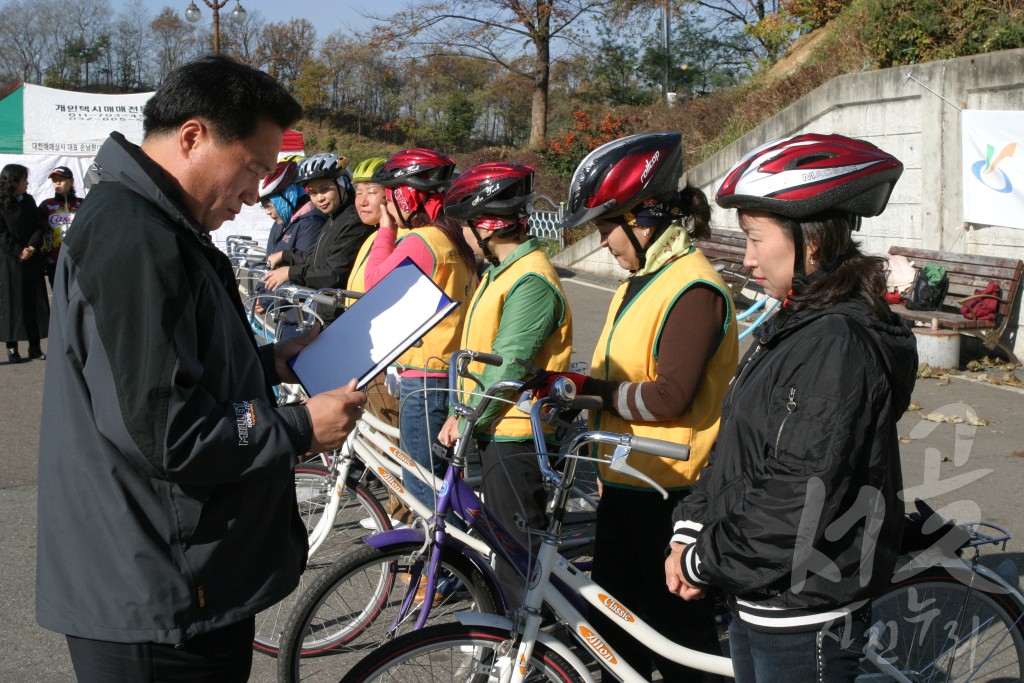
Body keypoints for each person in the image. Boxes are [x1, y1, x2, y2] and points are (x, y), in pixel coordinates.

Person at [35, 55, 366, 683]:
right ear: (193, 137)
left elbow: (169, 373)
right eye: (253, 169)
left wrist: (268, 362)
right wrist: (299, 428)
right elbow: (167, 430)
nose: (253, 194)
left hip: (170, 574)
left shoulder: (155, 224)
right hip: (157, 589)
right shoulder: (136, 239)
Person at [664, 133, 918, 683]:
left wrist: (705, 558)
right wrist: (692, 525)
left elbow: (797, 490)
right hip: (763, 589)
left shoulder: (835, 342)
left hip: (806, 606)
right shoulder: (799, 323)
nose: (748, 257)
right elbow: (744, 449)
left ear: (813, 243)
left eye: (756, 239)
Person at [543, 132, 738, 682]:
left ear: (645, 219)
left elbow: (669, 395)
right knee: (616, 634)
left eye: (608, 227)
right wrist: (567, 391)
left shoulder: (692, 288)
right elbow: (614, 375)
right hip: (628, 480)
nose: (604, 242)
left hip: (671, 491)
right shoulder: (641, 281)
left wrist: (591, 393)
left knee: (679, 644)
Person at [437, 162, 573, 599]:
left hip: (515, 432)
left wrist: (468, 416)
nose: (465, 235)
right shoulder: (504, 272)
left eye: (468, 226)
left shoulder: (531, 278)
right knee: (505, 545)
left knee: (518, 553)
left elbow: (509, 363)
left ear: (487, 226)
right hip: (497, 425)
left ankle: (530, 649)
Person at [365, 148, 477, 513]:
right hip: (448, 372)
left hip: (423, 377)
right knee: (441, 481)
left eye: (387, 198)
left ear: (404, 195)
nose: (385, 207)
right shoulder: (453, 239)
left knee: (422, 487)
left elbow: (374, 285)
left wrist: (386, 231)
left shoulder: (422, 240)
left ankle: (443, 570)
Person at [261, 152, 375, 323]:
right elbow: (318, 259)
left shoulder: (353, 220)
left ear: (342, 183)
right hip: (325, 313)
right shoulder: (334, 216)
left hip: (341, 317)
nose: (319, 198)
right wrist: (286, 255)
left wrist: (291, 272)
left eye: (324, 189)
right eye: (313, 193)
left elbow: (333, 272)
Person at [0, 163, 49, 363]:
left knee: (33, 302)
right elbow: (1, 233)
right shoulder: (2, 203)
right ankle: (12, 348)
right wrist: (18, 251)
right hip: (9, 261)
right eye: (24, 180)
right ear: (14, 181)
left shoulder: (28, 201)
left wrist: (31, 247)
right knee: (12, 303)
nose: (27, 183)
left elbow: (40, 225)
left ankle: (35, 347)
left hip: (31, 259)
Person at [260, 160, 325, 258]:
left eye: (269, 206)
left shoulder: (311, 222)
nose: (267, 212)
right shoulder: (278, 224)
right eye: (264, 207)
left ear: (288, 196)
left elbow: (305, 267)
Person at [38, 165, 84, 288]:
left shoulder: (82, 203)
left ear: (71, 181)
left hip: (79, 259)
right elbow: (38, 231)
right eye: (54, 180)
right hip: (55, 260)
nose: (57, 183)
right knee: (59, 296)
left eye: (61, 179)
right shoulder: (46, 205)